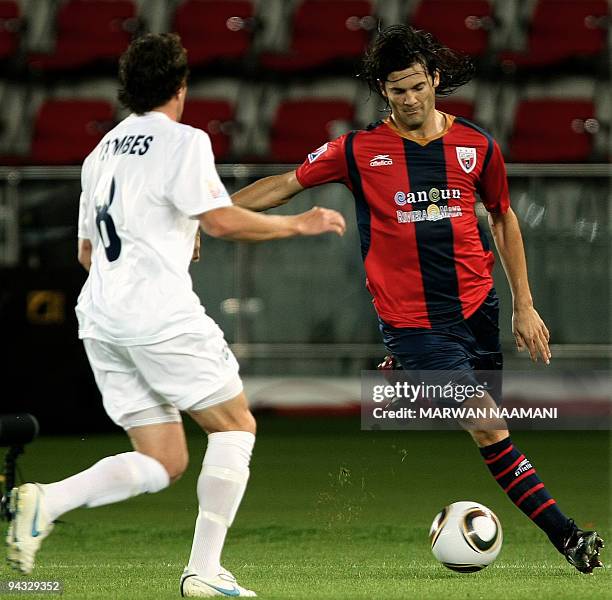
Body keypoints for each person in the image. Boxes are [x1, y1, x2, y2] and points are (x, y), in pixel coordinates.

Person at [232, 25, 605, 574]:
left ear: (435, 80)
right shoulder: (357, 150)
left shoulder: (476, 145)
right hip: (413, 322)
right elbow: (285, 183)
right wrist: (207, 216)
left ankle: (405, 373)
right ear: (383, 91)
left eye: (416, 87)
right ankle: (568, 536)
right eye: (396, 90)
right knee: (487, 424)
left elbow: (503, 217)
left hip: (479, 310)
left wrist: (524, 304)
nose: (408, 99)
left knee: (490, 424)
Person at [6, 33, 346, 598]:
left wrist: (168, 235)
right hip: (157, 315)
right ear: (181, 88)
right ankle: (204, 573)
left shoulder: (101, 152)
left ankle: (47, 498)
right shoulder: (184, 141)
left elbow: (87, 253)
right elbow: (221, 220)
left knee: (164, 459)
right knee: (236, 425)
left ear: (127, 89)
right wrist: (296, 224)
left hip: (101, 318)